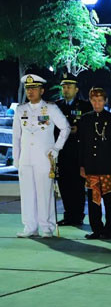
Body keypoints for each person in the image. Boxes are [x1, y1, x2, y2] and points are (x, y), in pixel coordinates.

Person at [13, 74, 70, 238]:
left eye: (34, 88)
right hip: (26, 159)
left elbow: (65, 128)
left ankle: (47, 227)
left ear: (42, 90)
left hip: (44, 158)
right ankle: (30, 227)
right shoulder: (20, 109)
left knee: (45, 193)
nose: (30, 92)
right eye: (28, 88)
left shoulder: (50, 108)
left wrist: (56, 148)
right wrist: (17, 159)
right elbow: (16, 136)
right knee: (27, 193)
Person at [78, 87, 111, 239]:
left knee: (110, 202)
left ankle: (110, 229)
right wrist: (82, 165)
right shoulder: (85, 119)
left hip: (109, 167)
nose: (97, 103)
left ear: (105, 101)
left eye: (100, 100)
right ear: (90, 101)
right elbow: (82, 145)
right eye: (94, 100)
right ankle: (96, 229)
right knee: (93, 201)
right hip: (91, 167)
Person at [54, 73, 92, 227]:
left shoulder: (84, 106)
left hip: (77, 152)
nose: (66, 90)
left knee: (77, 186)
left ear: (76, 89)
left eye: (69, 87)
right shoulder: (56, 106)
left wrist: (78, 129)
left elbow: (90, 127)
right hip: (62, 152)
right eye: (63, 87)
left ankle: (78, 215)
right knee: (64, 185)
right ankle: (68, 215)